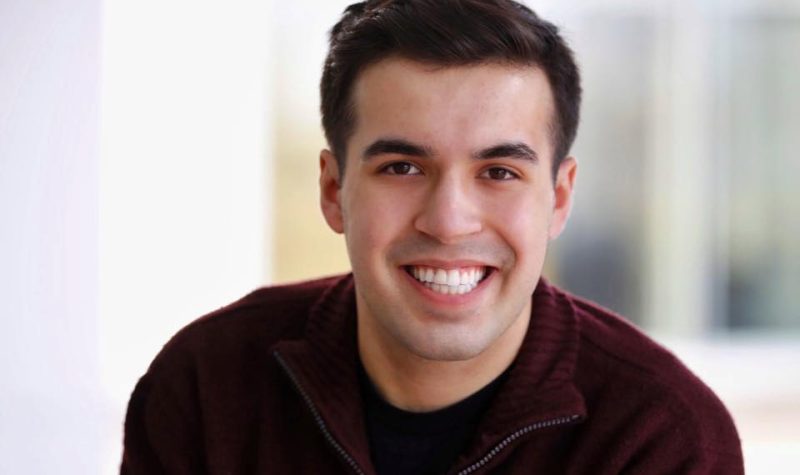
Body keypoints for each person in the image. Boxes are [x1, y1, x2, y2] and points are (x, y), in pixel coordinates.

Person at [120, 1, 744, 473]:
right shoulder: (208, 384)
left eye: (499, 172)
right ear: (334, 190)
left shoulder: (659, 437)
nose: (448, 221)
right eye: (402, 168)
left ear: (557, 197)